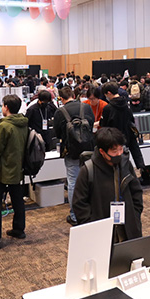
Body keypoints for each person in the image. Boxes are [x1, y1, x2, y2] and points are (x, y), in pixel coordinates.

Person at [72, 127, 144, 243]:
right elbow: (79, 203)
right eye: (114, 151)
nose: (119, 153)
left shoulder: (126, 165)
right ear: (102, 151)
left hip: (128, 229)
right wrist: (90, 225)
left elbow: (136, 192)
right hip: (100, 232)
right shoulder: (88, 170)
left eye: (120, 149)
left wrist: (134, 215)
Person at [0, 94, 28, 249]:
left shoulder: (4, 126)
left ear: (6, 107)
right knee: (17, 200)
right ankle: (19, 229)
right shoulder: (23, 123)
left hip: (2, 170)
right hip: (17, 168)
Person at [53, 86, 94, 226]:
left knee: (73, 182)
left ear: (61, 98)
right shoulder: (86, 107)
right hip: (89, 148)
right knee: (90, 179)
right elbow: (91, 124)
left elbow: (57, 133)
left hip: (71, 151)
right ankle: (91, 210)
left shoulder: (60, 111)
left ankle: (75, 215)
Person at [100, 82, 145, 169]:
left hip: (113, 142)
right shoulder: (127, 105)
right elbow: (131, 121)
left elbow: (104, 126)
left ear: (109, 93)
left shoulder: (108, 108)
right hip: (127, 140)